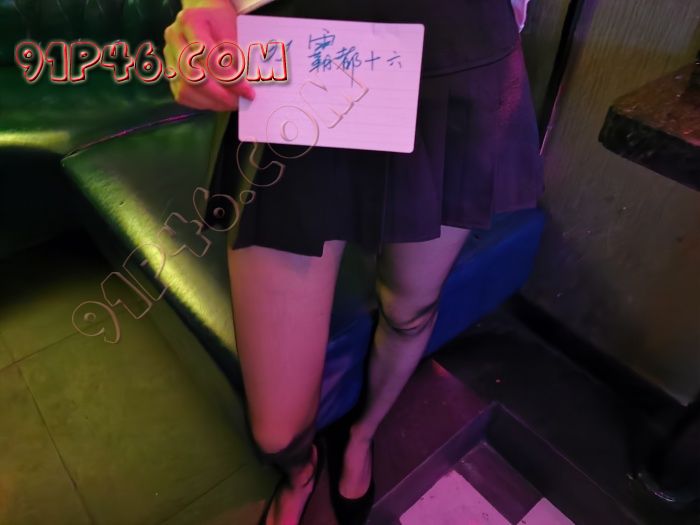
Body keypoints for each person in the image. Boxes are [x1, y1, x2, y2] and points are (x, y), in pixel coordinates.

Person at [164, 0, 542, 523]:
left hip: (455, 45)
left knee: (409, 311)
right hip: (300, 48)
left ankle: (363, 434)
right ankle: (300, 468)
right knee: (276, 431)